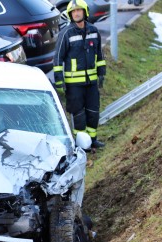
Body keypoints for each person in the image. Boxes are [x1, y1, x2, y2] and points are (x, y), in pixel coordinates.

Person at [53, 0, 106, 149]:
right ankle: (82, 145)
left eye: (79, 10)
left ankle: (93, 140)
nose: (76, 13)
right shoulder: (66, 33)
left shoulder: (93, 31)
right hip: (73, 84)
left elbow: (100, 54)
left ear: (85, 12)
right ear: (70, 14)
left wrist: (101, 73)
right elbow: (57, 58)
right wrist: (59, 81)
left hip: (91, 82)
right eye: (73, 11)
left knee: (93, 111)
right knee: (78, 114)